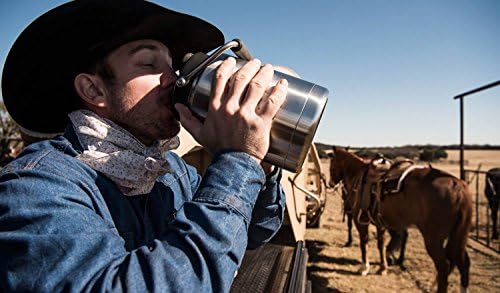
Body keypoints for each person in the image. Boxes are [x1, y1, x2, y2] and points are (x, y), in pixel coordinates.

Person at [0, 0, 289, 291]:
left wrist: (258, 167)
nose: (175, 78)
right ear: (94, 89)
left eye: (172, 65)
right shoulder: (35, 186)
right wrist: (237, 161)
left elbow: (251, 232)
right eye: (149, 64)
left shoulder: (169, 169)